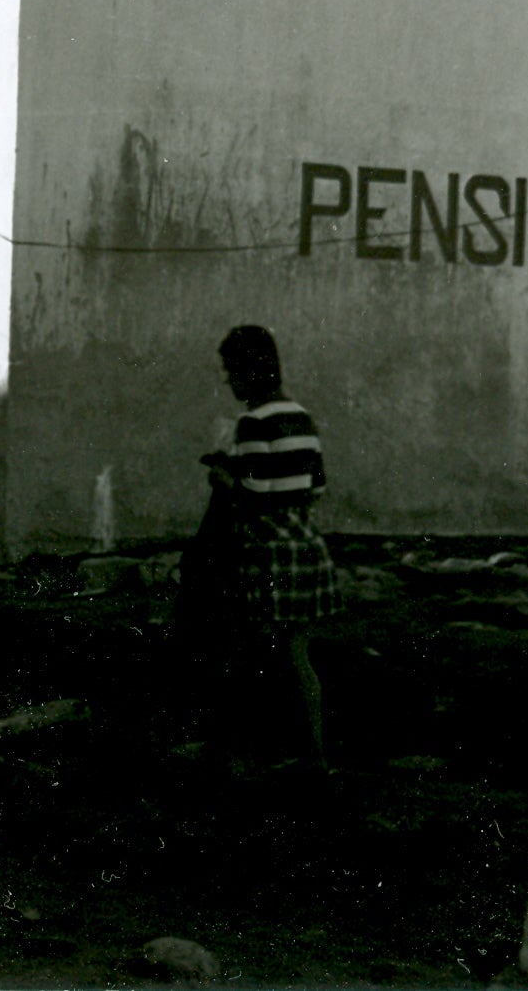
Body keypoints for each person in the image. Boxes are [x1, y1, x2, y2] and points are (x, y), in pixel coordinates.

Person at [180, 325, 340, 778]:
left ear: (251, 372)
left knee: (248, 659)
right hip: (306, 550)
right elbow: (317, 487)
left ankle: (242, 754)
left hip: (266, 555)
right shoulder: (303, 418)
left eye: (233, 371)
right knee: (298, 660)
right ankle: (314, 756)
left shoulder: (252, 422)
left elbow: (251, 497)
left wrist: (224, 476)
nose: (229, 382)